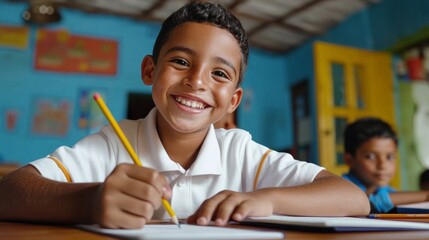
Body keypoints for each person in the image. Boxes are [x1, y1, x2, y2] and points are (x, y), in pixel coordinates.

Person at [0, 1, 369, 229]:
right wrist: (89, 201)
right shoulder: (113, 143)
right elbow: (9, 193)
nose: (196, 82)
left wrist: (268, 200)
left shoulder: (242, 153)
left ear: (233, 101)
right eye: (180, 62)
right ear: (150, 71)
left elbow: (353, 197)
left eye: (219, 73)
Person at [343, 117, 429, 213]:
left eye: (390, 157)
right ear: (349, 160)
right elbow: (372, 202)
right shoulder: (340, 188)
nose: (382, 165)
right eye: (370, 157)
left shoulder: (388, 191)